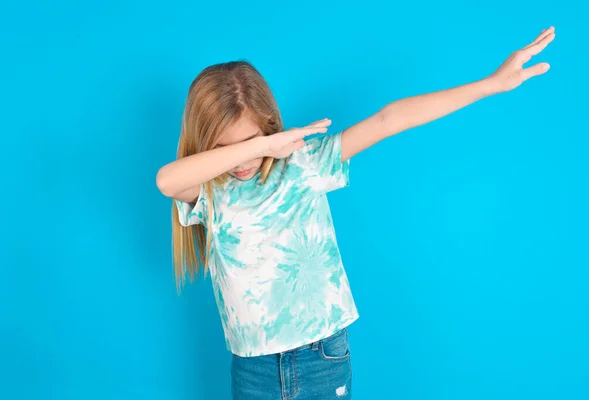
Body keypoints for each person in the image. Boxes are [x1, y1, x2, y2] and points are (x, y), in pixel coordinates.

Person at [156, 26, 555, 400]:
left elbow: (389, 119)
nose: (240, 159)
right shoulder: (212, 189)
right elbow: (166, 180)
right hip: (252, 368)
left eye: (251, 139)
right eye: (225, 148)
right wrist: (258, 147)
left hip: (321, 358)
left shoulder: (305, 163)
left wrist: (490, 84)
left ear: (269, 124)